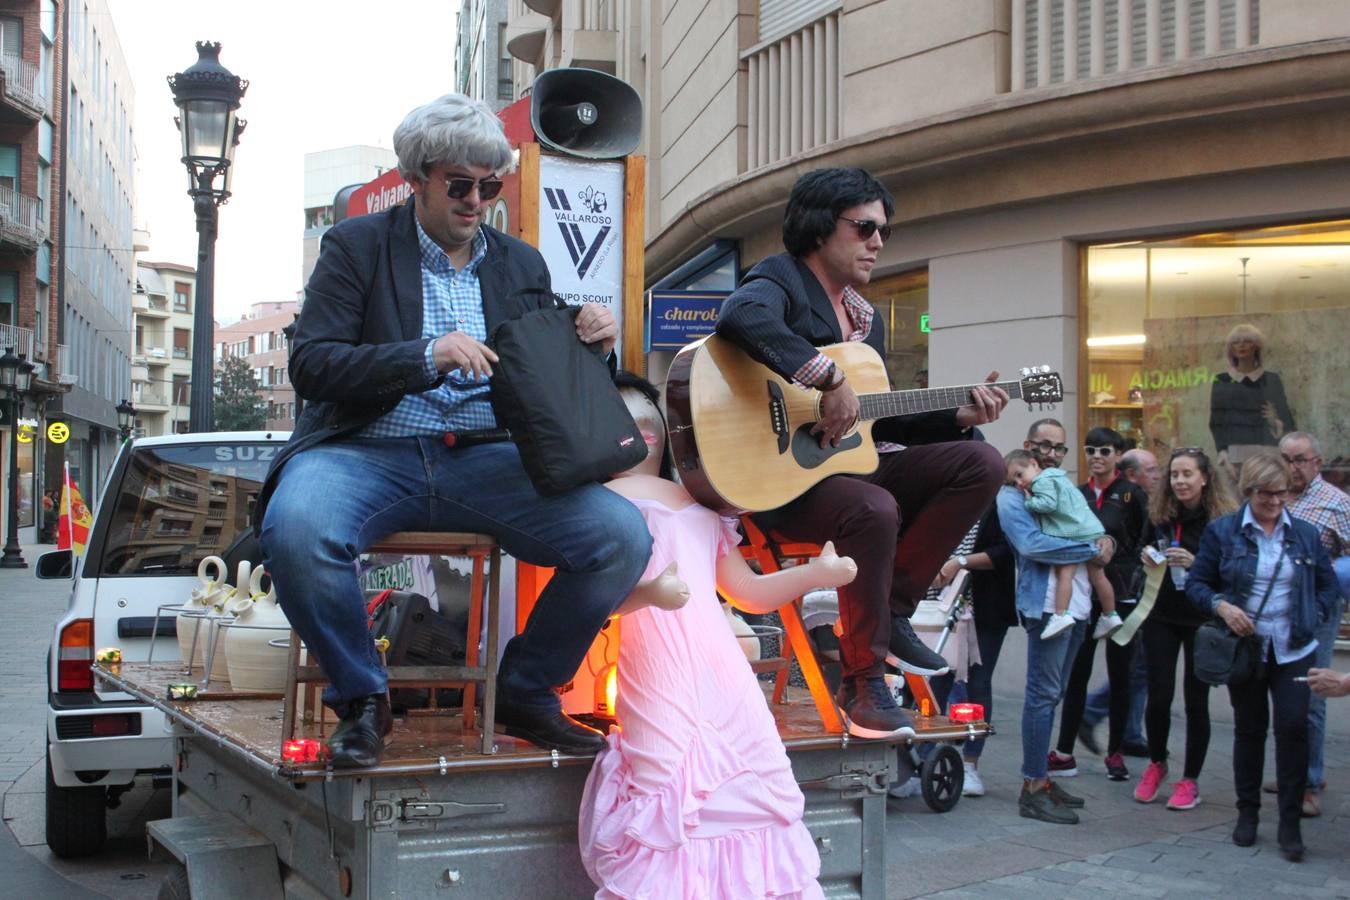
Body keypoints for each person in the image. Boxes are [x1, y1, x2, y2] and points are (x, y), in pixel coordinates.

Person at [255, 94, 653, 767]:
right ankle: (362, 701)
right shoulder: (355, 248)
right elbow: (312, 366)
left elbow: (545, 376)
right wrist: (424, 355)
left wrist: (594, 345)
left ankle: (527, 691)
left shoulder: (519, 264)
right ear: (415, 179)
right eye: (459, 185)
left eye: (489, 185)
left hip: (486, 458)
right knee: (295, 528)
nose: (476, 201)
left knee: (622, 536)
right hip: (366, 451)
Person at [714, 167, 1007, 740]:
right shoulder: (781, 277)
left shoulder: (864, 323)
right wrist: (826, 377)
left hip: (843, 471)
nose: (878, 241)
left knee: (982, 460)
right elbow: (740, 317)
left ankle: (890, 612)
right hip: (777, 482)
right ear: (821, 228)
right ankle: (863, 679)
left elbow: (876, 417)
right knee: (872, 507)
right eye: (865, 227)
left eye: (884, 231)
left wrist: (956, 417)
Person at [579, 373, 855, 899]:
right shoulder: (595, 505)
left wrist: (814, 575)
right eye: (622, 411)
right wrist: (650, 595)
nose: (641, 422)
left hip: (724, 672)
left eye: (648, 411)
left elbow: (746, 592)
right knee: (671, 794)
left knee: (756, 788)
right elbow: (590, 608)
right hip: (659, 670)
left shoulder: (703, 501)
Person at [1187, 452, 1338, 861]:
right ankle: (1247, 813)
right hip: (1247, 651)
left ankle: (1289, 822)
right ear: (1248, 490)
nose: (1276, 502)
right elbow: (1197, 583)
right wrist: (1222, 606)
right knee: (1250, 730)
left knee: (1293, 729)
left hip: (1295, 649)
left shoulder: (1305, 533)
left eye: (1283, 493)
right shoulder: (1224, 532)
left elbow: (1327, 585)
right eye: (1267, 494)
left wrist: (1315, 613)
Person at [998, 419, 1117, 824]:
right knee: (1042, 695)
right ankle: (1032, 785)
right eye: (1045, 446)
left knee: (1056, 693)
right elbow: (1032, 545)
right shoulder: (1013, 495)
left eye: (1060, 448)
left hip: (1078, 606)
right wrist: (1089, 548)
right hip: (1046, 607)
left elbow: (1093, 528)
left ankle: (1043, 780)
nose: (1052, 454)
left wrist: (1106, 543)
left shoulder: (1060, 486)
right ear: (1029, 445)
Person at [1132, 448, 1236, 811]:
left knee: (1196, 701)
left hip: (1201, 620)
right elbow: (1142, 544)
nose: (1179, 481)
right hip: (1161, 614)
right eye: (1174, 474)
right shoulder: (1161, 512)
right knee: (1158, 696)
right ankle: (1156, 764)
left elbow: (1231, 571)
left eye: (1187, 474)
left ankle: (1189, 779)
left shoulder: (1221, 520)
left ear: (1204, 478)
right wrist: (1148, 556)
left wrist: (1196, 563)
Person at [1052, 427, 1148, 782]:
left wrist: (1124, 563)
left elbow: (1144, 538)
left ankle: (1116, 752)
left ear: (1118, 455)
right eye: (1090, 449)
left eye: (1104, 451)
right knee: (1077, 674)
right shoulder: (1077, 494)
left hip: (1121, 596)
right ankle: (1063, 751)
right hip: (1081, 596)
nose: (1096, 456)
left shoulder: (1132, 494)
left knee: (1121, 674)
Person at [1279, 431, 1350, 818]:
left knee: (1312, 694)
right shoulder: (1274, 497)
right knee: (1282, 692)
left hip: (1320, 614)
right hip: (1277, 613)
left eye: (1300, 459)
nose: (1293, 467)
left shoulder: (1337, 503)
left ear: (1317, 462)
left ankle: (1310, 781)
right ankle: (1292, 773)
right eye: (1287, 459)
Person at [930, 502, 1015, 797]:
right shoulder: (941, 505)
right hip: (940, 608)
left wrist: (960, 562)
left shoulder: (998, 507)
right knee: (935, 680)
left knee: (979, 682)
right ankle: (925, 760)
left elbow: (1005, 552)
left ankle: (970, 762)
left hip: (984, 609)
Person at [1079, 448, 1158, 757]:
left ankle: (1128, 732)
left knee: (1140, 666)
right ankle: (1095, 713)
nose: (1158, 475)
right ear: (1131, 475)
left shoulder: (1148, 500)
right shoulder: (1128, 501)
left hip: (1140, 591)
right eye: (1151, 470)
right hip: (1123, 593)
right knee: (1133, 665)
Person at [1005, 450, 1122, 641]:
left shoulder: (1042, 481)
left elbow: (1047, 504)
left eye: (1019, 475)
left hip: (1072, 534)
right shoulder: (1060, 478)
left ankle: (1060, 614)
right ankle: (1110, 615)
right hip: (1090, 530)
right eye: (1013, 482)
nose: (1019, 483)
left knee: (1065, 573)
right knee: (1098, 576)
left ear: (1034, 464)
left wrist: (1029, 502)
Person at [1209, 323, 1295, 473]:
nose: (1241, 345)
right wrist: (1223, 453)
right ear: (1231, 349)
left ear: (1256, 346)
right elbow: (1217, 422)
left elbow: (1288, 421)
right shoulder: (1222, 380)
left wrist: (1274, 420)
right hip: (1235, 455)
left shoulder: (1271, 380)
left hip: (1268, 453)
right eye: (1236, 342)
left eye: (1247, 341)